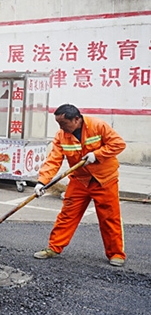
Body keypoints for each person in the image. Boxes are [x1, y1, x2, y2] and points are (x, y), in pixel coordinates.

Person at [32, 104, 126, 267]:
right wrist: (42, 182)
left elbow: (118, 144)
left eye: (63, 124)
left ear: (76, 119)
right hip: (80, 180)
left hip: (104, 179)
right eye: (58, 124)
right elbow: (53, 160)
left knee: (109, 217)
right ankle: (54, 247)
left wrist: (97, 155)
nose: (61, 128)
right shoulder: (61, 136)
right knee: (67, 214)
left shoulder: (98, 126)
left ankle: (116, 253)